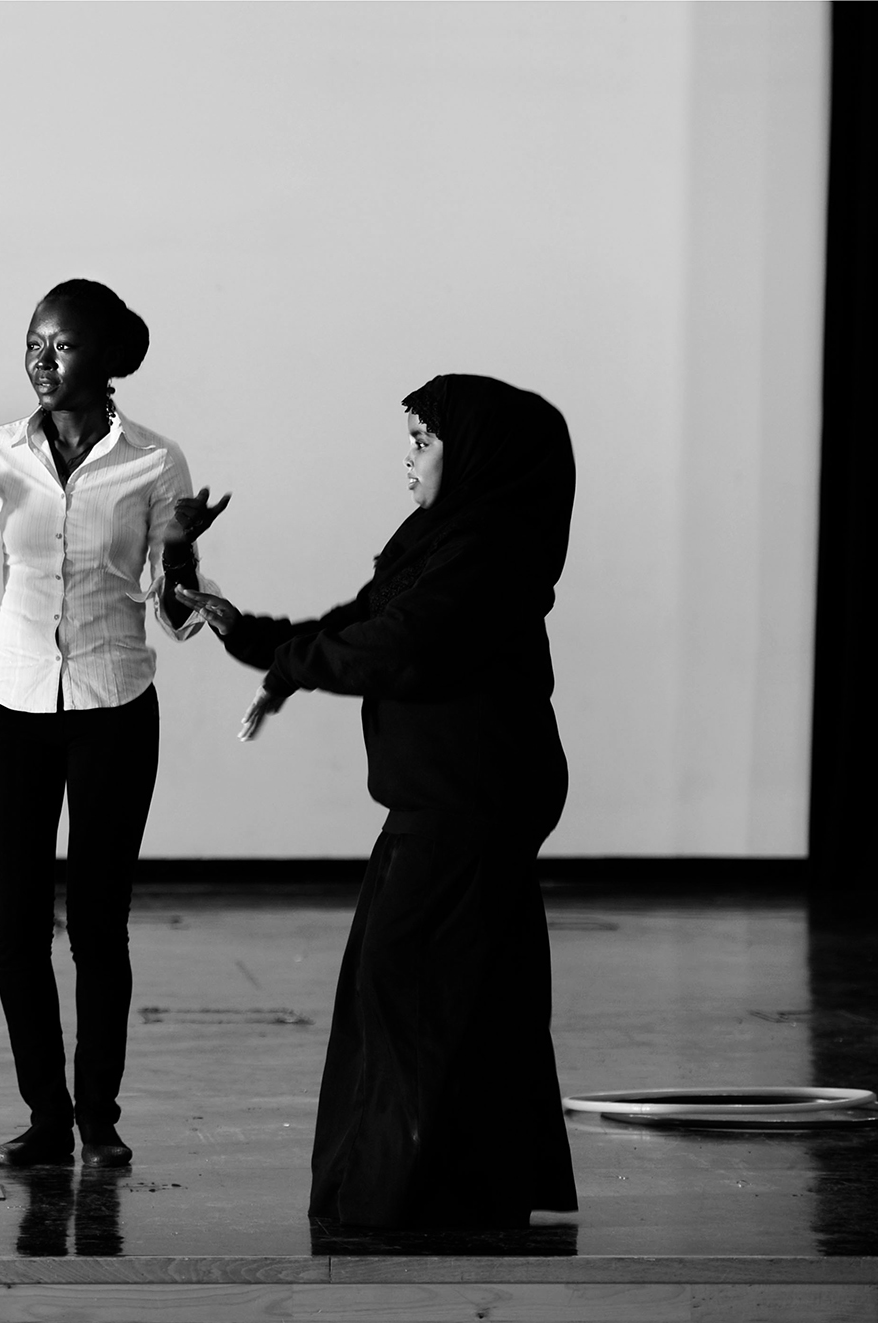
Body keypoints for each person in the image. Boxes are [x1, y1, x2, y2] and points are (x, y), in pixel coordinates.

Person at [178, 373, 579, 1228]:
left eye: (423, 440)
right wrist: (254, 637)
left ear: (475, 453)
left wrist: (290, 666)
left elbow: (401, 649)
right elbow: (361, 621)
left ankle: (404, 1198)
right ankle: (473, 1189)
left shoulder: (489, 549)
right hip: (452, 800)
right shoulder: (441, 537)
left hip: (470, 801)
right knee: (473, 993)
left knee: (406, 990)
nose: (409, 458)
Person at [0, 279, 227, 1169]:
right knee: (15, 925)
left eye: (60, 346)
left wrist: (180, 550)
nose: (40, 360)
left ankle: (99, 1117)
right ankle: (46, 1116)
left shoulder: (154, 461)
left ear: (103, 358)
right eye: (32, 343)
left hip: (115, 709)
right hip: (14, 710)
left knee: (100, 924)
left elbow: (170, 612)